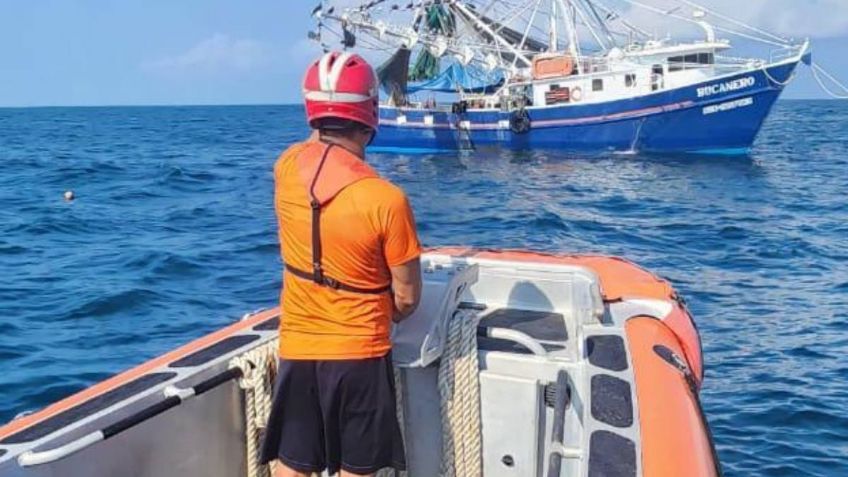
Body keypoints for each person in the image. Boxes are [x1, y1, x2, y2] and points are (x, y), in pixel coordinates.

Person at [259, 51, 423, 477]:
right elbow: (406, 298)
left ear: (311, 111)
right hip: (360, 355)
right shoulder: (386, 201)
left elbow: (314, 147)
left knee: (292, 467)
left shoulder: (286, 168)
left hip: (297, 348)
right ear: (371, 111)